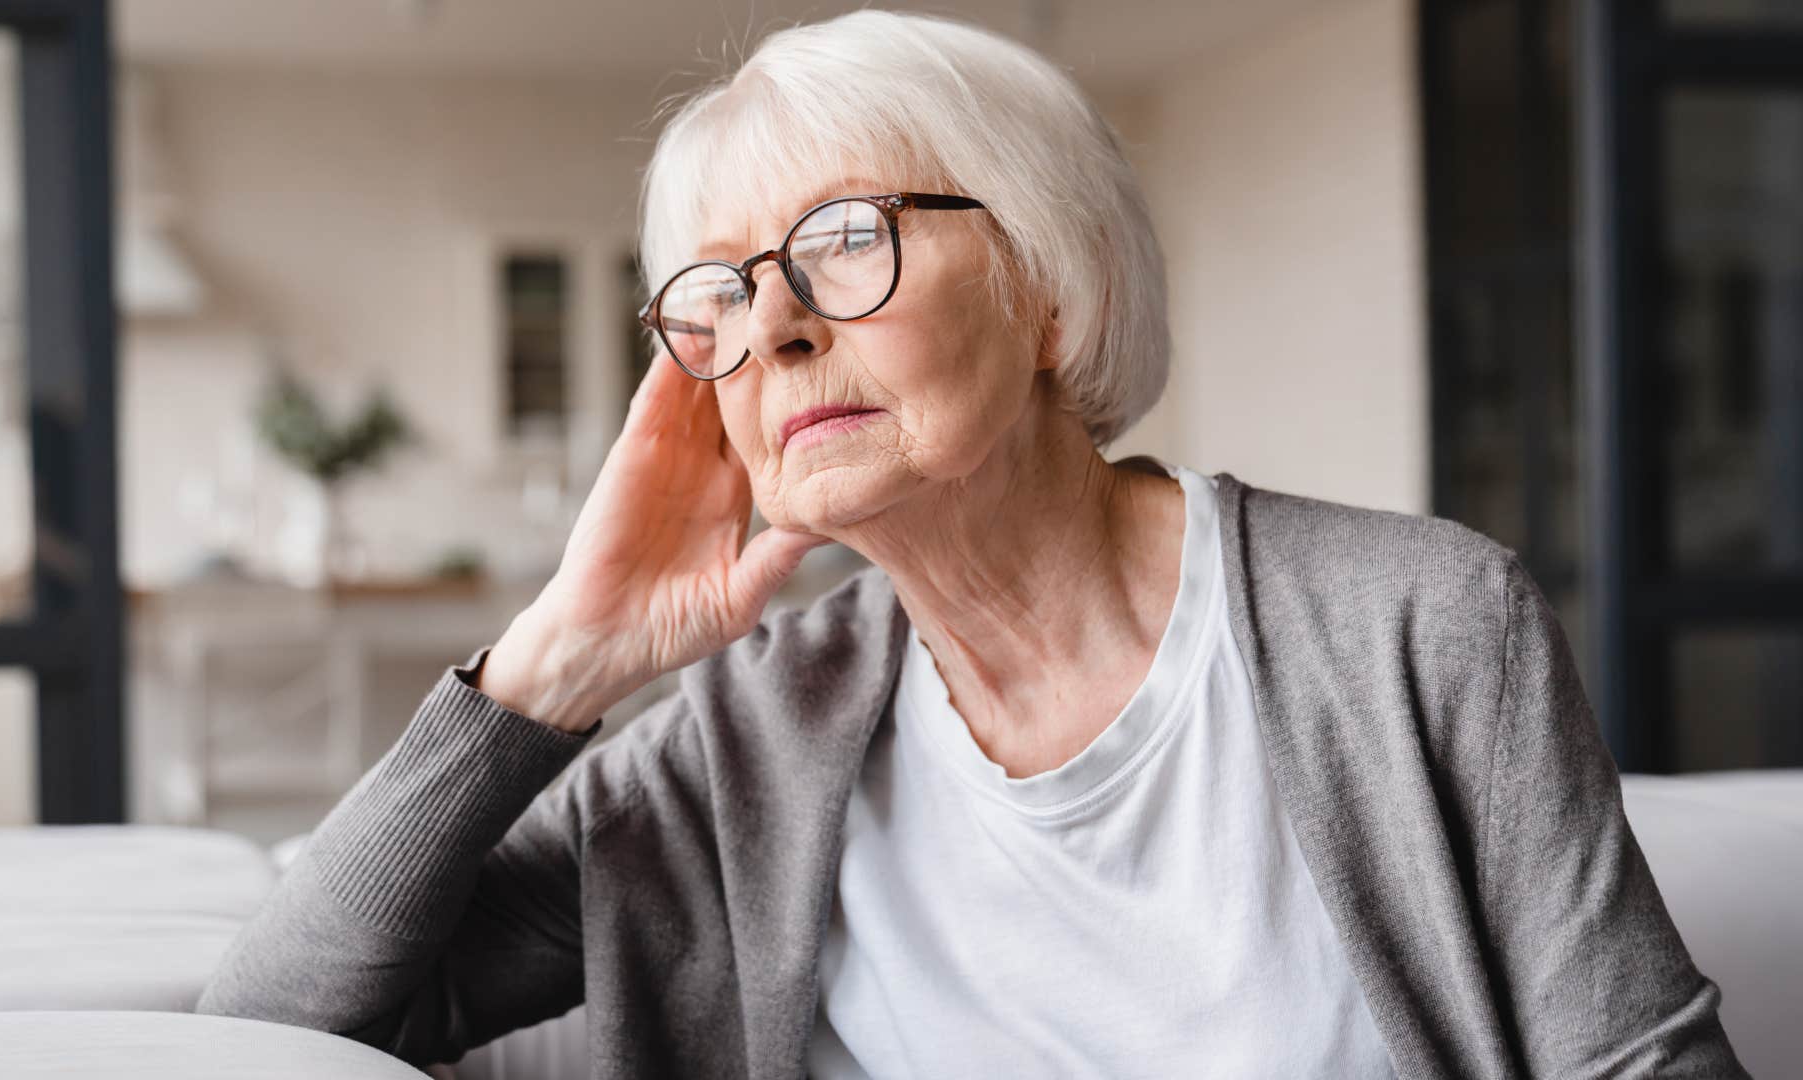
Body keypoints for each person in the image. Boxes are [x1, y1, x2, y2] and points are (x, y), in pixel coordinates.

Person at [197, 11, 1745, 1078]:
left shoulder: (1420, 625)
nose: (779, 324)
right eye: (721, 296)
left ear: (1049, 290)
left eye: (847, 240)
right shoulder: (748, 733)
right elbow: (274, 1024)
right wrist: (555, 662)